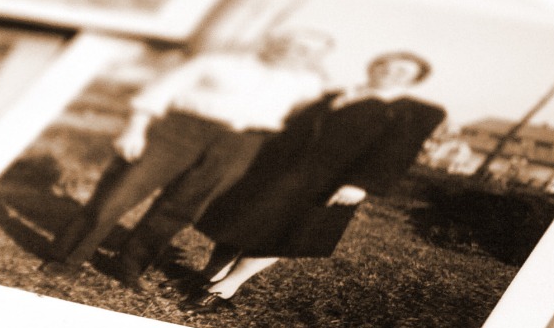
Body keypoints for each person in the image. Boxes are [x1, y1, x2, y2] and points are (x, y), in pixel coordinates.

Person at [42, 31, 333, 286]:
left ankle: (128, 265)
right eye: (295, 45)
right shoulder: (218, 62)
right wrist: (134, 129)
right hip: (178, 131)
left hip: (241, 144)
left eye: (310, 52)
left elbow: (305, 117)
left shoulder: (306, 86)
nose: (299, 54)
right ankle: (66, 259)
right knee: (119, 194)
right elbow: (159, 91)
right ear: (275, 42)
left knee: (182, 208)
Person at [183, 52, 448, 312]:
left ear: (414, 81)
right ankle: (209, 274)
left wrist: (361, 183)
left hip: (329, 182)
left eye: (402, 72)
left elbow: (397, 152)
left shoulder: (414, 112)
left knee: (280, 235)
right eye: (385, 65)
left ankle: (225, 287)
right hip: (280, 170)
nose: (389, 72)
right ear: (373, 66)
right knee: (242, 222)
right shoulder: (334, 95)